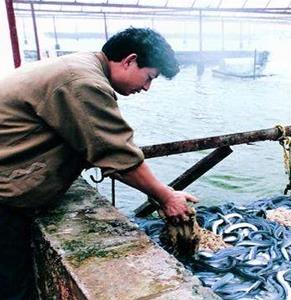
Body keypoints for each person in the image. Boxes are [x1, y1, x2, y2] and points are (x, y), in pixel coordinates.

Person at [0, 27, 197, 299]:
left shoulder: (80, 66)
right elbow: (118, 154)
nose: (146, 87)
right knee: (13, 287)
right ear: (129, 60)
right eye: (149, 77)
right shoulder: (83, 82)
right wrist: (166, 197)